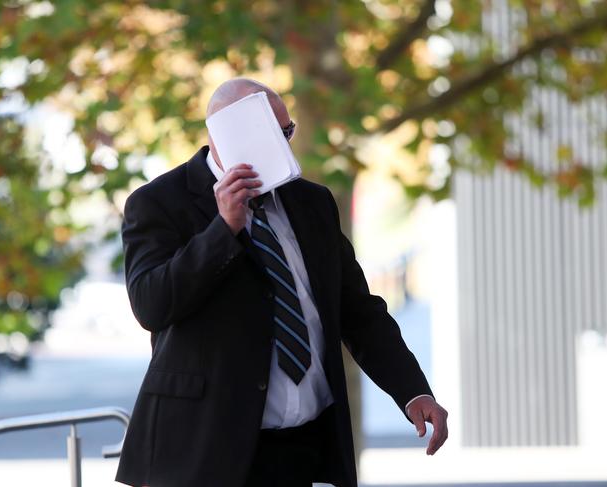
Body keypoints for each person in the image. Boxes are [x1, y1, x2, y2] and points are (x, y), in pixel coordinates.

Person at [116, 78, 448, 487]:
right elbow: (152, 304)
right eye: (278, 133)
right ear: (228, 134)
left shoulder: (312, 202)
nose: (287, 144)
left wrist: (413, 391)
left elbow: (358, 311)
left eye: (289, 131)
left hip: (304, 449)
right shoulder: (159, 203)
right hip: (208, 452)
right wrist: (223, 230)